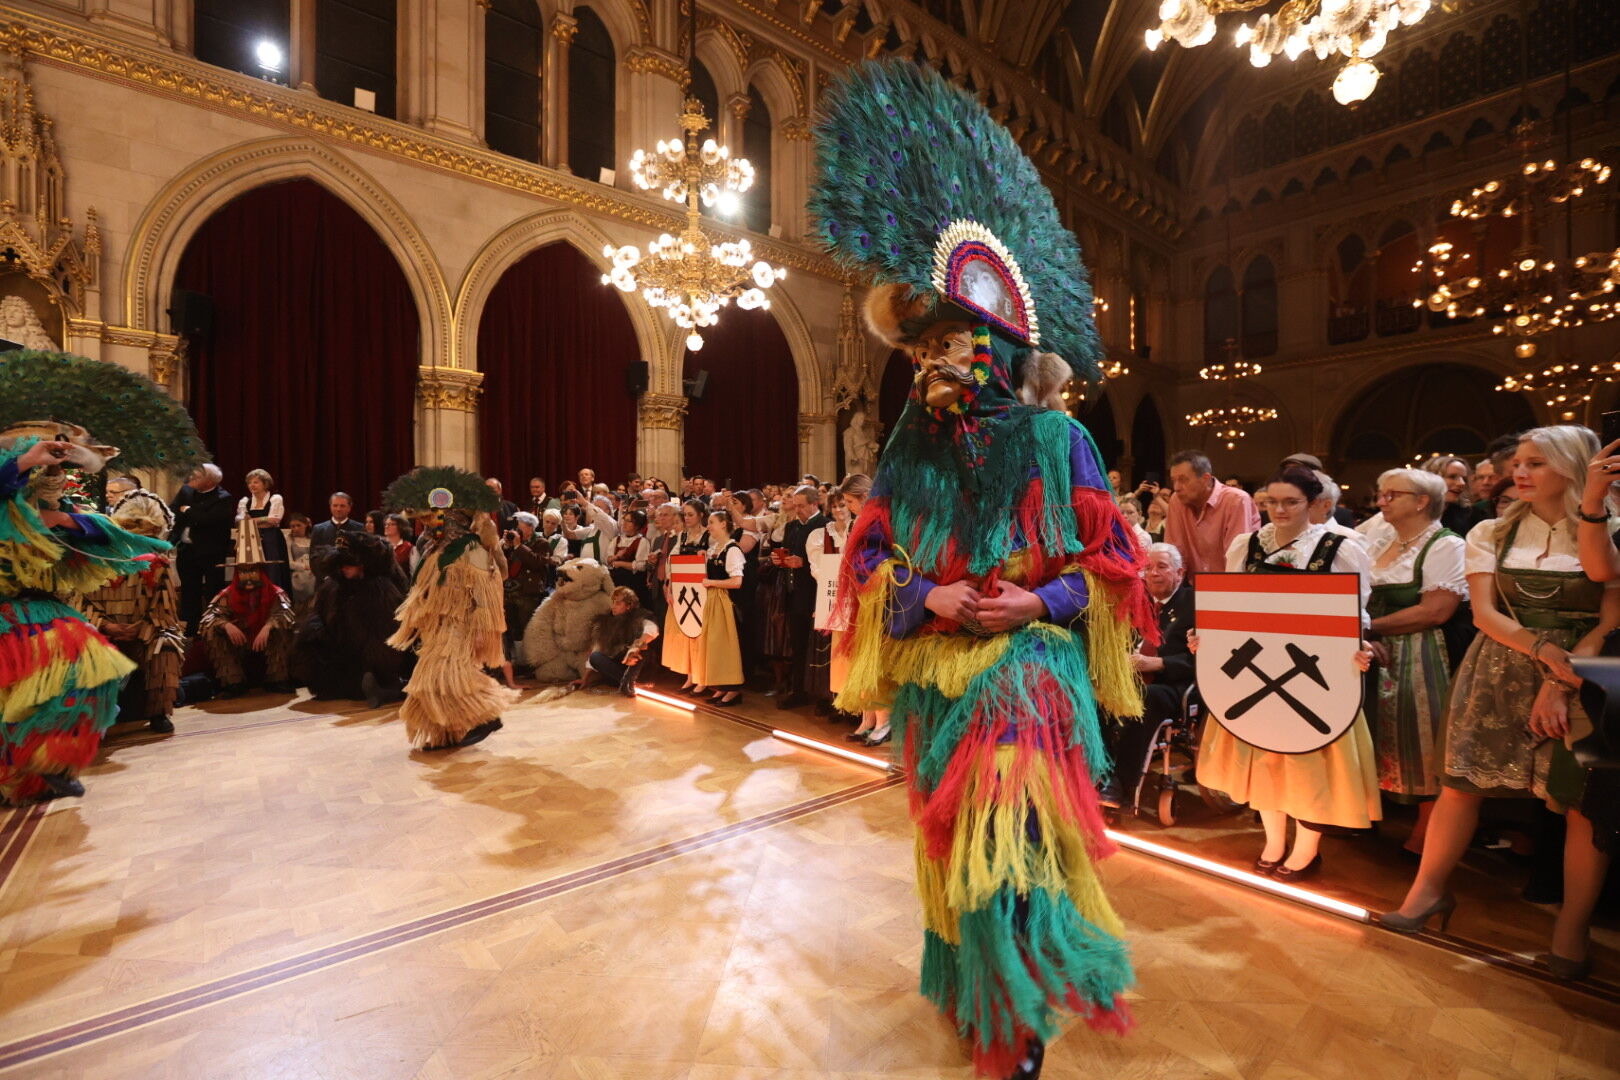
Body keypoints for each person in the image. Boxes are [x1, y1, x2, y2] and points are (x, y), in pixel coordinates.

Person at [811, 59, 1153, 1078]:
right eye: (919, 356)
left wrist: (1036, 599)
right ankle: (979, 987)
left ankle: (1013, 1025)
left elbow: (1114, 566)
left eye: (951, 349)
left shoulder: (1060, 445)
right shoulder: (905, 456)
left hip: (1030, 673)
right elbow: (866, 559)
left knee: (1006, 839)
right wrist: (925, 593)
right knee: (951, 848)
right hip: (932, 675)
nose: (934, 369)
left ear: (996, 349)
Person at [1380, 427, 1620, 983]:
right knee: (1461, 786)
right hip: (1502, 660)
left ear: (1572, 466)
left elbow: (1611, 616)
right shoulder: (1491, 529)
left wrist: (1563, 679)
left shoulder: (1611, 528)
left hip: (1591, 667)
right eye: (1518, 461)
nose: (1520, 471)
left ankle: (1571, 928)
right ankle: (1426, 893)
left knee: (1583, 804)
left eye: (1536, 462)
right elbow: (1485, 614)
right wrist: (1541, 651)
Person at [0, 349, 204, 804]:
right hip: (7, 613)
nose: (53, 474)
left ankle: (46, 764)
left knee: (88, 672)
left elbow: (101, 532)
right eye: (41, 466)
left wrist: (65, 519)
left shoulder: (54, 510)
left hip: (38, 609)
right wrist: (26, 462)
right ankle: (19, 774)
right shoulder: (8, 500)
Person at [1195, 466, 1380, 880]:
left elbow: (1354, 614)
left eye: (1290, 502)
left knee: (1308, 764)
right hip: (1256, 664)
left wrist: (1357, 645)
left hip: (1317, 674)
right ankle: (1274, 840)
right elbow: (1232, 606)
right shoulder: (1246, 546)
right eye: (1271, 502)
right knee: (1263, 757)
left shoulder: (1341, 547)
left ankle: (1307, 848)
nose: (1278, 509)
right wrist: (1206, 637)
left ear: (1312, 504)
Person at [1364, 468, 1467, 857]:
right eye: (1381, 494)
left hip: (1420, 652)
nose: (1381, 501)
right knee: (1377, 736)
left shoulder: (1446, 545)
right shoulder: (1380, 541)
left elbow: (1435, 611)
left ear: (1422, 501)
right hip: (1374, 651)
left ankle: (1428, 829)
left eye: (1392, 495)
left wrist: (1369, 625)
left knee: (1422, 738)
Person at [384, 467, 517, 751]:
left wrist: (482, 630)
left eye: (432, 521)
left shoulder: (472, 551)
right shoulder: (436, 552)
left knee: (442, 675)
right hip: (440, 628)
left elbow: (487, 596)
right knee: (430, 681)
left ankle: (486, 716)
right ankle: (447, 733)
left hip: (461, 628)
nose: (427, 527)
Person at [74, 496, 187, 734]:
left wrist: (142, 628)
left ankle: (159, 713)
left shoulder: (159, 566)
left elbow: (163, 608)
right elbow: (79, 601)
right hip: (101, 631)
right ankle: (90, 721)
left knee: (166, 645)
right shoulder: (94, 562)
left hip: (145, 631)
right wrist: (105, 626)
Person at [1101, 543, 1195, 807]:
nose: (1153, 573)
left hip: (1171, 683)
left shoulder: (1194, 603)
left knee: (1143, 697)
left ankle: (1121, 783)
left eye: (1162, 567)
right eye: (1148, 568)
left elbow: (1202, 658)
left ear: (1179, 572)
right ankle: (1098, 772)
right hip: (1131, 675)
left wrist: (1158, 663)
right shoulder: (1137, 602)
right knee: (1093, 692)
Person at [295, 531, 409, 706]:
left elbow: (385, 636)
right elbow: (319, 614)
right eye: (341, 565)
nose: (344, 568)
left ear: (363, 564)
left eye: (350, 564)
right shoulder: (334, 585)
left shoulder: (381, 590)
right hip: (342, 650)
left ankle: (385, 687)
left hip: (372, 657)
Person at [198, 523, 297, 697]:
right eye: (243, 572)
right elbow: (208, 618)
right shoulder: (226, 594)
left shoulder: (276, 592)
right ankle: (233, 682)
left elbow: (286, 613)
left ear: (261, 571)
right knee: (212, 631)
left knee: (283, 628)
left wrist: (268, 626)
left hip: (267, 641)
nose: (248, 576)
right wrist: (225, 625)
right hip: (239, 642)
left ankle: (277, 679)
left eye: (253, 571)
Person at [1165, 449, 1260, 578]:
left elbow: (1237, 559)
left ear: (1205, 478)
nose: (1176, 487)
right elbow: (1174, 552)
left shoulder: (1236, 500)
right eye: (1173, 480)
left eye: (1183, 480)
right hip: (1192, 587)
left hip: (1230, 586)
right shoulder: (1176, 500)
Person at [776, 484, 828, 710]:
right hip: (794, 592)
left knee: (820, 646)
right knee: (798, 646)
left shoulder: (826, 526)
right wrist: (780, 560)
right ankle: (798, 691)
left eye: (801, 506)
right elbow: (789, 553)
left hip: (817, 594)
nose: (796, 510)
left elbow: (828, 562)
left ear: (814, 504)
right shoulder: (792, 527)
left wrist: (803, 563)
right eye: (794, 506)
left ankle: (824, 697)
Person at [170, 462, 235, 632]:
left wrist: (188, 511)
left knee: (214, 592)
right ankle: (189, 630)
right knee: (189, 591)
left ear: (209, 481)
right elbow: (173, 511)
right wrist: (191, 513)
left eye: (197, 476)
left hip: (211, 552)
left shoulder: (223, 497)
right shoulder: (186, 491)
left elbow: (208, 520)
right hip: (186, 550)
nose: (191, 478)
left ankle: (212, 628)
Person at [577, 586, 659, 695]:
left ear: (629, 605)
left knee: (644, 647)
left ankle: (632, 681)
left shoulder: (640, 616)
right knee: (595, 657)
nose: (613, 607)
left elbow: (651, 629)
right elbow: (597, 649)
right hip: (619, 669)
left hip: (638, 668)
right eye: (613, 603)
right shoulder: (607, 622)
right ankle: (627, 682)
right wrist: (585, 679)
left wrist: (636, 647)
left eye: (618, 603)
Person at [501, 510, 555, 641]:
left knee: (527, 628)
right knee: (510, 628)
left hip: (529, 593)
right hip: (511, 591)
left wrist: (519, 546)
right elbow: (504, 564)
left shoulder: (541, 543)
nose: (516, 531)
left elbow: (537, 563)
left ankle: (527, 659)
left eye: (519, 527)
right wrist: (507, 547)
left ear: (530, 527)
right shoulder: (514, 543)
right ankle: (514, 657)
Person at [237, 469, 290, 591]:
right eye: (250, 483)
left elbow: (274, 520)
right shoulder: (245, 501)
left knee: (272, 570)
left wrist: (253, 520)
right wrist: (263, 519)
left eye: (256, 482)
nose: (252, 485)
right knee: (253, 570)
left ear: (265, 484)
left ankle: (273, 600)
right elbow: (241, 521)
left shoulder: (275, 498)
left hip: (271, 538)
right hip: (251, 538)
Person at [106, 475, 174, 539]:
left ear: (128, 491)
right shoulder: (120, 507)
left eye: (113, 492)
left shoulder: (136, 506)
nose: (108, 495)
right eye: (107, 492)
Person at [285, 513, 316, 609]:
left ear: (306, 525)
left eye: (298, 525)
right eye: (292, 526)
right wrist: (304, 566)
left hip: (313, 572)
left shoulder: (311, 539)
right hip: (298, 574)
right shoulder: (289, 540)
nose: (295, 528)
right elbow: (288, 562)